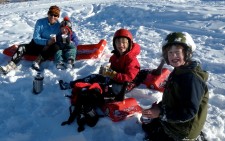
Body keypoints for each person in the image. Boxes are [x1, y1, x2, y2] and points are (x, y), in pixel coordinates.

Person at [141, 32, 209, 141]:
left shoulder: (191, 79)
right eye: (170, 53)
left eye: (177, 52)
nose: (173, 56)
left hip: (184, 130)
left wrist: (161, 113)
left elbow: (189, 111)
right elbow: (172, 96)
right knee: (148, 125)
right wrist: (159, 107)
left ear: (187, 53)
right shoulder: (179, 71)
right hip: (175, 117)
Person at [59, 28, 141, 101]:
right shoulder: (114, 57)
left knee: (105, 88)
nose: (121, 45)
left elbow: (129, 77)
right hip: (116, 79)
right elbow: (113, 69)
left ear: (129, 44)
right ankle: (71, 85)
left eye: (124, 42)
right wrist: (107, 71)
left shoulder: (131, 59)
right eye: (118, 42)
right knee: (94, 77)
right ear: (114, 44)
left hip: (125, 84)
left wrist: (112, 74)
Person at [0, 5, 61, 74]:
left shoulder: (59, 26)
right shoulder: (40, 22)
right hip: (36, 46)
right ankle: (9, 67)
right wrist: (47, 42)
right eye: (51, 14)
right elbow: (36, 38)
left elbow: (65, 36)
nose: (52, 17)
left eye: (55, 15)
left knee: (56, 47)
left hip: (47, 50)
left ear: (58, 17)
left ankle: (37, 62)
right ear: (48, 14)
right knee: (22, 47)